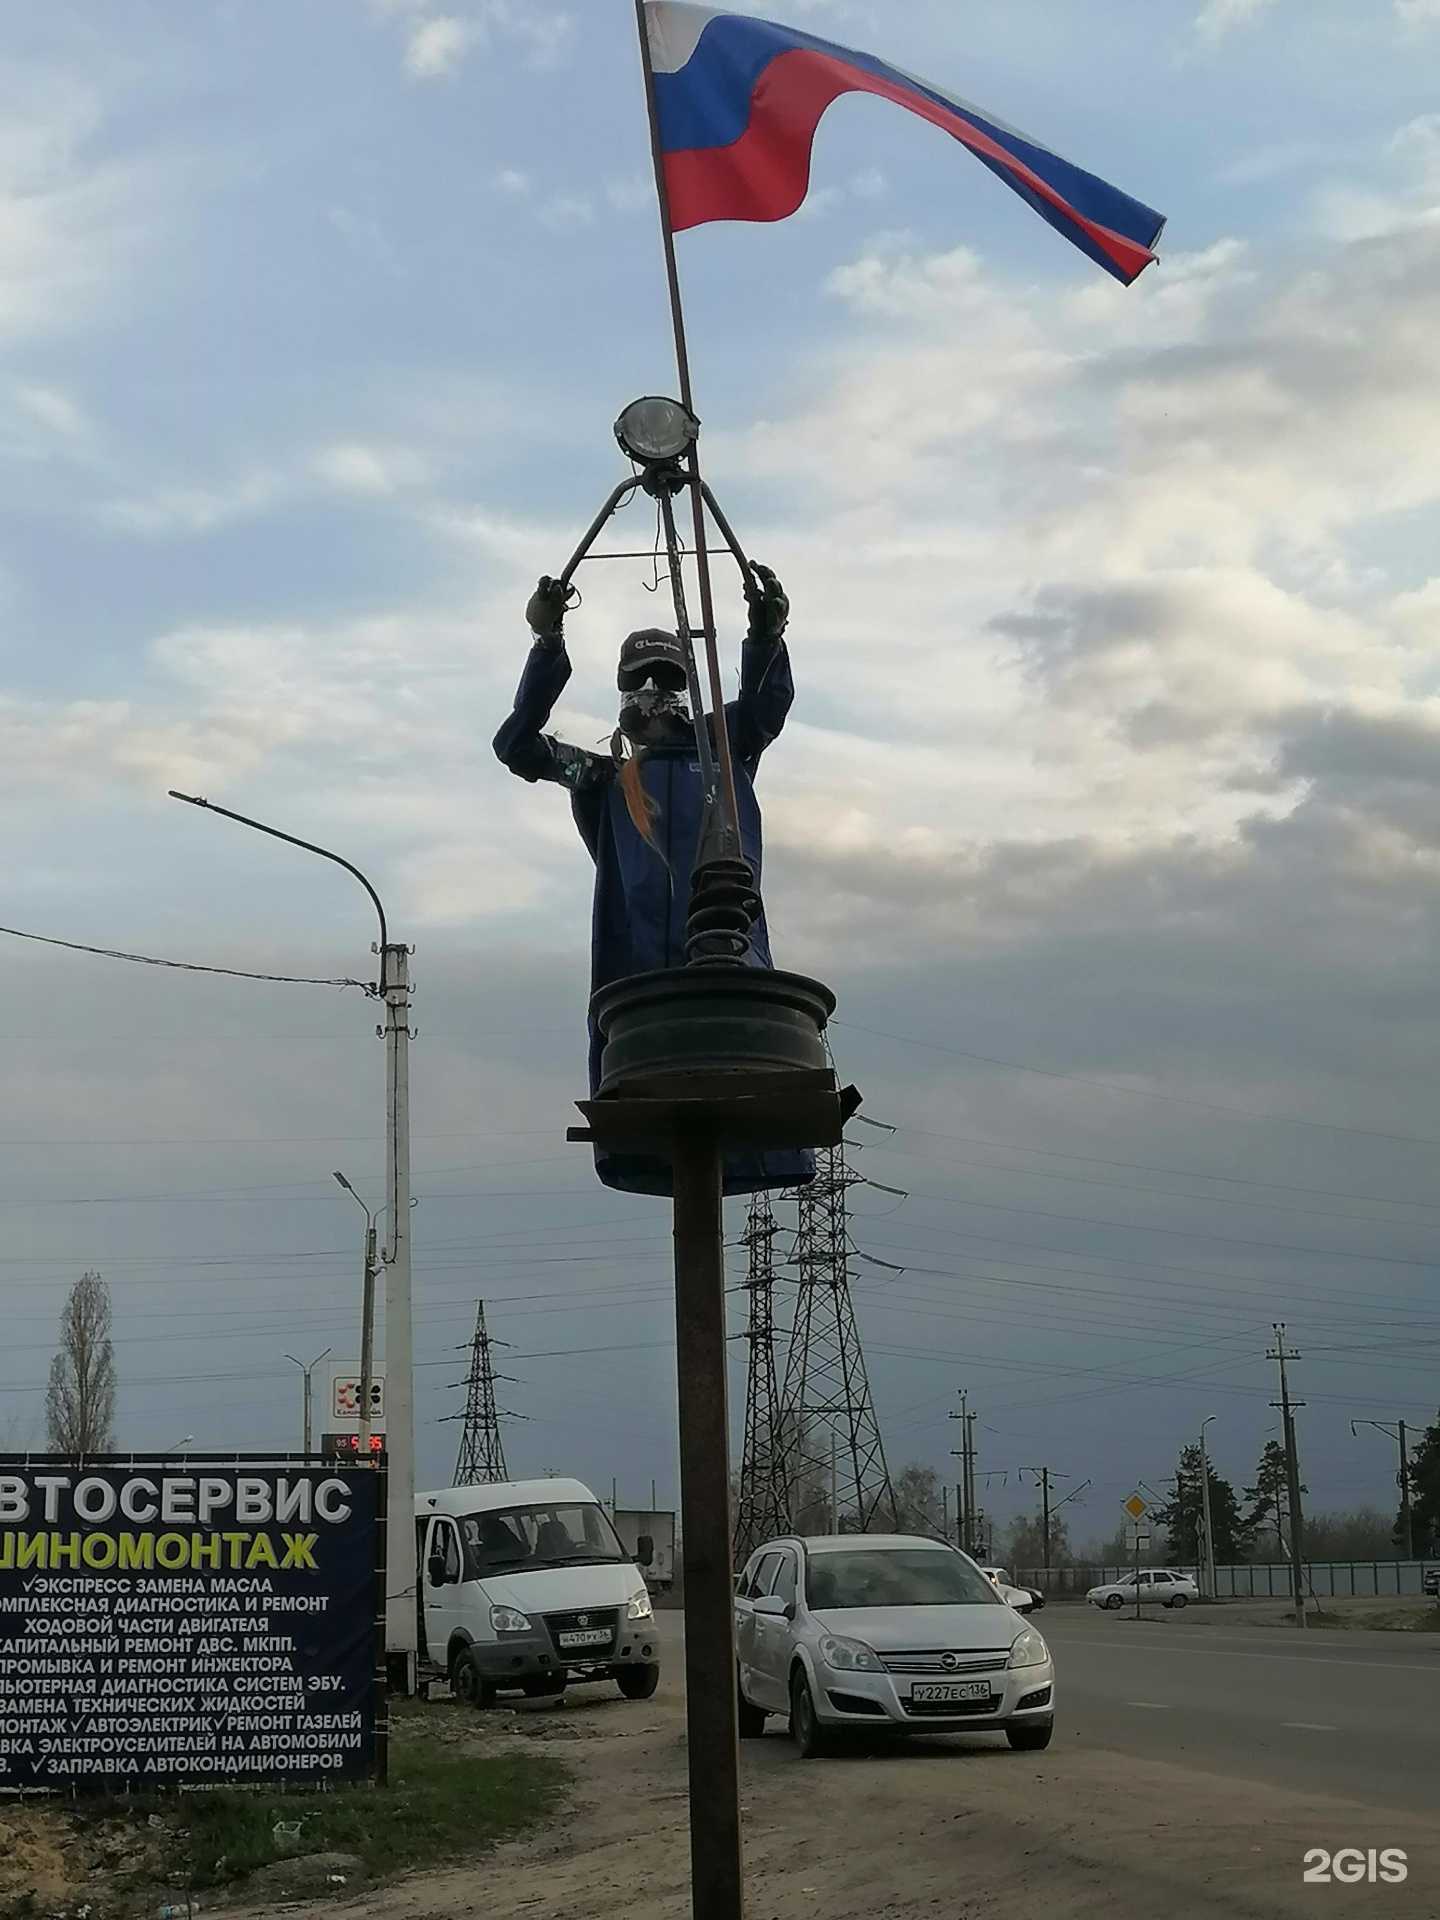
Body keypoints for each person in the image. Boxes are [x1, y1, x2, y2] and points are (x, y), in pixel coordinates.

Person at [494, 564, 812, 1196]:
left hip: (729, 966)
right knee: (645, 1087)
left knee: (746, 1075)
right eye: (636, 681)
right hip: (640, 986)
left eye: (665, 678)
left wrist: (765, 636)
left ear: (687, 686)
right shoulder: (606, 778)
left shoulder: (722, 752)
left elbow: (766, 707)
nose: (650, 691)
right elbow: (517, 744)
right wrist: (547, 641)